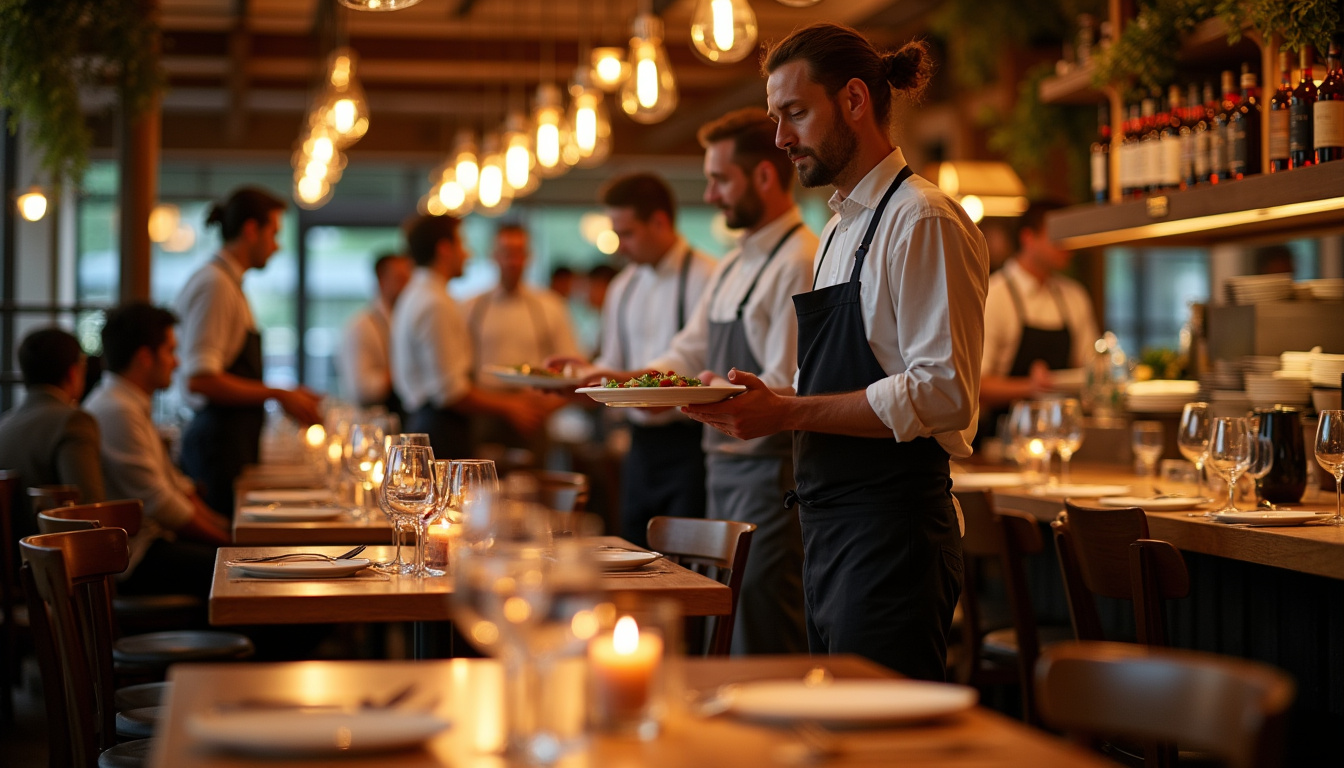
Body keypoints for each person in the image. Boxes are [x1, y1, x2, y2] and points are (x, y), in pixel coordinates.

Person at [684, 23, 989, 681]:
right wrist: (755, 398)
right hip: (826, 530)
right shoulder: (836, 231)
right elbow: (827, 380)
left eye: (795, 113)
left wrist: (786, 414)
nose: (780, 138)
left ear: (853, 100)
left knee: (880, 729)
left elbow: (942, 393)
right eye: (775, 117)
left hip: (894, 535)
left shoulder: (924, 218)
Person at [599, 109, 817, 654]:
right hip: (719, 466)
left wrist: (706, 388)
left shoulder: (801, 260)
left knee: (761, 624)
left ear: (763, 176)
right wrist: (617, 383)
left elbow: (790, 384)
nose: (710, 194)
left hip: (771, 475)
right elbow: (686, 351)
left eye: (720, 179)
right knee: (725, 623)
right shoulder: (734, 264)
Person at [558, 174, 716, 549]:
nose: (619, 247)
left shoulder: (708, 276)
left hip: (690, 445)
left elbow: (699, 362)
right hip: (639, 447)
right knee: (633, 554)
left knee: (685, 563)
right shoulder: (623, 286)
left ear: (659, 222)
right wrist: (581, 377)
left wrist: (610, 378)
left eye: (627, 234)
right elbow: (612, 363)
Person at [175, 187, 323, 516]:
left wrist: (285, 394)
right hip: (217, 448)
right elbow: (199, 379)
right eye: (274, 233)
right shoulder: (215, 285)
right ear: (251, 229)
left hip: (227, 444)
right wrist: (278, 393)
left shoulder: (228, 283)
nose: (277, 246)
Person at [84, 302, 230, 599]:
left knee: (237, 563)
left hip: (151, 545)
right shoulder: (117, 410)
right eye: (170, 351)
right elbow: (160, 504)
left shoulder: (127, 401)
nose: (176, 362)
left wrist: (226, 527)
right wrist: (230, 543)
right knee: (234, 571)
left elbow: (175, 485)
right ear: (144, 357)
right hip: (133, 559)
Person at [390, 214, 551, 461]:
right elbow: (450, 391)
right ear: (445, 249)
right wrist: (511, 406)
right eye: (462, 244)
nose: (468, 254)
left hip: (432, 421)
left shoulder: (418, 294)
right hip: (440, 426)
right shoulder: (434, 303)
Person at [979, 200, 1099, 421]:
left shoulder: (1074, 295)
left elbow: (1089, 367)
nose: (1067, 244)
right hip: (1003, 431)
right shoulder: (994, 295)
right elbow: (975, 385)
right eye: (1058, 234)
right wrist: (1029, 387)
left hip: (1062, 426)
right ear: (1028, 237)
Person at [0, 327, 105, 551]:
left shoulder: (4, 424)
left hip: (15, 560)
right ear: (73, 373)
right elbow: (90, 512)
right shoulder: (72, 421)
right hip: (56, 560)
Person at [338, 252, 414, 417]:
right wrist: (404, 370)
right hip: (373, 421)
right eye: (400, 279)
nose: (408, 286)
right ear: (381, 280)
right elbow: (359, 389)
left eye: (410, 279)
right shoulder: (361, 327)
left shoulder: (405, 321)